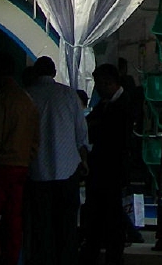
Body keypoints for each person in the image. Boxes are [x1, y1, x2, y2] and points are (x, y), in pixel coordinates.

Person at [24, 57, 89, 265]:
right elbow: (82, 134)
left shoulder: (28, 95)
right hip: (68, 169)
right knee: (66, 225)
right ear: (53, 72)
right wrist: (84, 160)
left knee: (40, 226)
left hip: (36, 170)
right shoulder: (69, 95)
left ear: (35, 72)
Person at [0, 50, 40, 265]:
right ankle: (11, 259)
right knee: (14, 220)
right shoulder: (27, 101)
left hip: (0, 166)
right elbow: (35, 139)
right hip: (22, 166)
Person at [81, 63, 135, 265]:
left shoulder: (121, 106)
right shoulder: (108, 103)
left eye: (99, 84)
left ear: (109, 83)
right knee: (104, 211)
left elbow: (111, 136)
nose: (97, 89)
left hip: (111, 168)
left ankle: (111, 252)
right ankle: (100, 249)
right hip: (105, 167)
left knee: (110, 213)